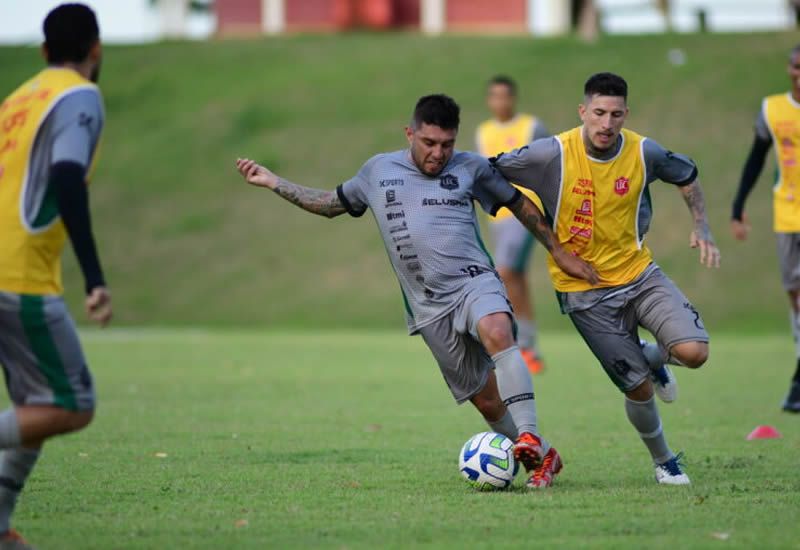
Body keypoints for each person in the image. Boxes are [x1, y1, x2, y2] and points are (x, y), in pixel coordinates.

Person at [236, 94, 598, 489]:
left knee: (497, 329)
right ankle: (543, 457)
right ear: (410, 134)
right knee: (487, 401)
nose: (439, 153)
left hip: (473, 281)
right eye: (429, 143)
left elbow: (519, 203)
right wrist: (273, 182)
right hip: (428, 308)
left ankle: (528, 432)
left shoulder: (471, 168)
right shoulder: (377, 171)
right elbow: (329, 204)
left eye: (447, 144)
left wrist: (558, 251)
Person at [492, 73, 720, 485]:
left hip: (640, 274)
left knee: (695, 353)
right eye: (598, 113)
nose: (606, 123)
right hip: (584, 295)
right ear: (583, 112)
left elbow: (686, 173)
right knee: (637, 389)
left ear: (625, 114)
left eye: (615, 115)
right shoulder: (551, 154)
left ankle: (653, 358)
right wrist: (552, 244)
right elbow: (492, 171)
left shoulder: (643, 151)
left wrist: (701, 225)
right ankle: (664, 460)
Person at [0, 4, 109, 547]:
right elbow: (67, 176)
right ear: (96, 48)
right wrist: (94, 277)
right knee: (72, 405)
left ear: (43, 51)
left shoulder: (17, 99)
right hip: (17, 275)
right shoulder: (79, 95)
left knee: (34, 407)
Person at [731, 44, 800, 413]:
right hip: (787, 214)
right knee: (795, 297)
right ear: (789, 68)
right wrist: (738, 207)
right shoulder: (773, 109)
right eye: (795, 66)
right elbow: (756, 158)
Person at [476, 76, 549, 373]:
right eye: (494, 96)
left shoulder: (532, 127)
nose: (500, 102)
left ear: (513, 98)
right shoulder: (484, 131)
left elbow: (550, 164)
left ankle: (514, 344)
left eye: (505, 96)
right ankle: (530, 348)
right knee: (515, 276)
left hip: (526, 211)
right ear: (489, 100)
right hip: (498, 216)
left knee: (504, 272)